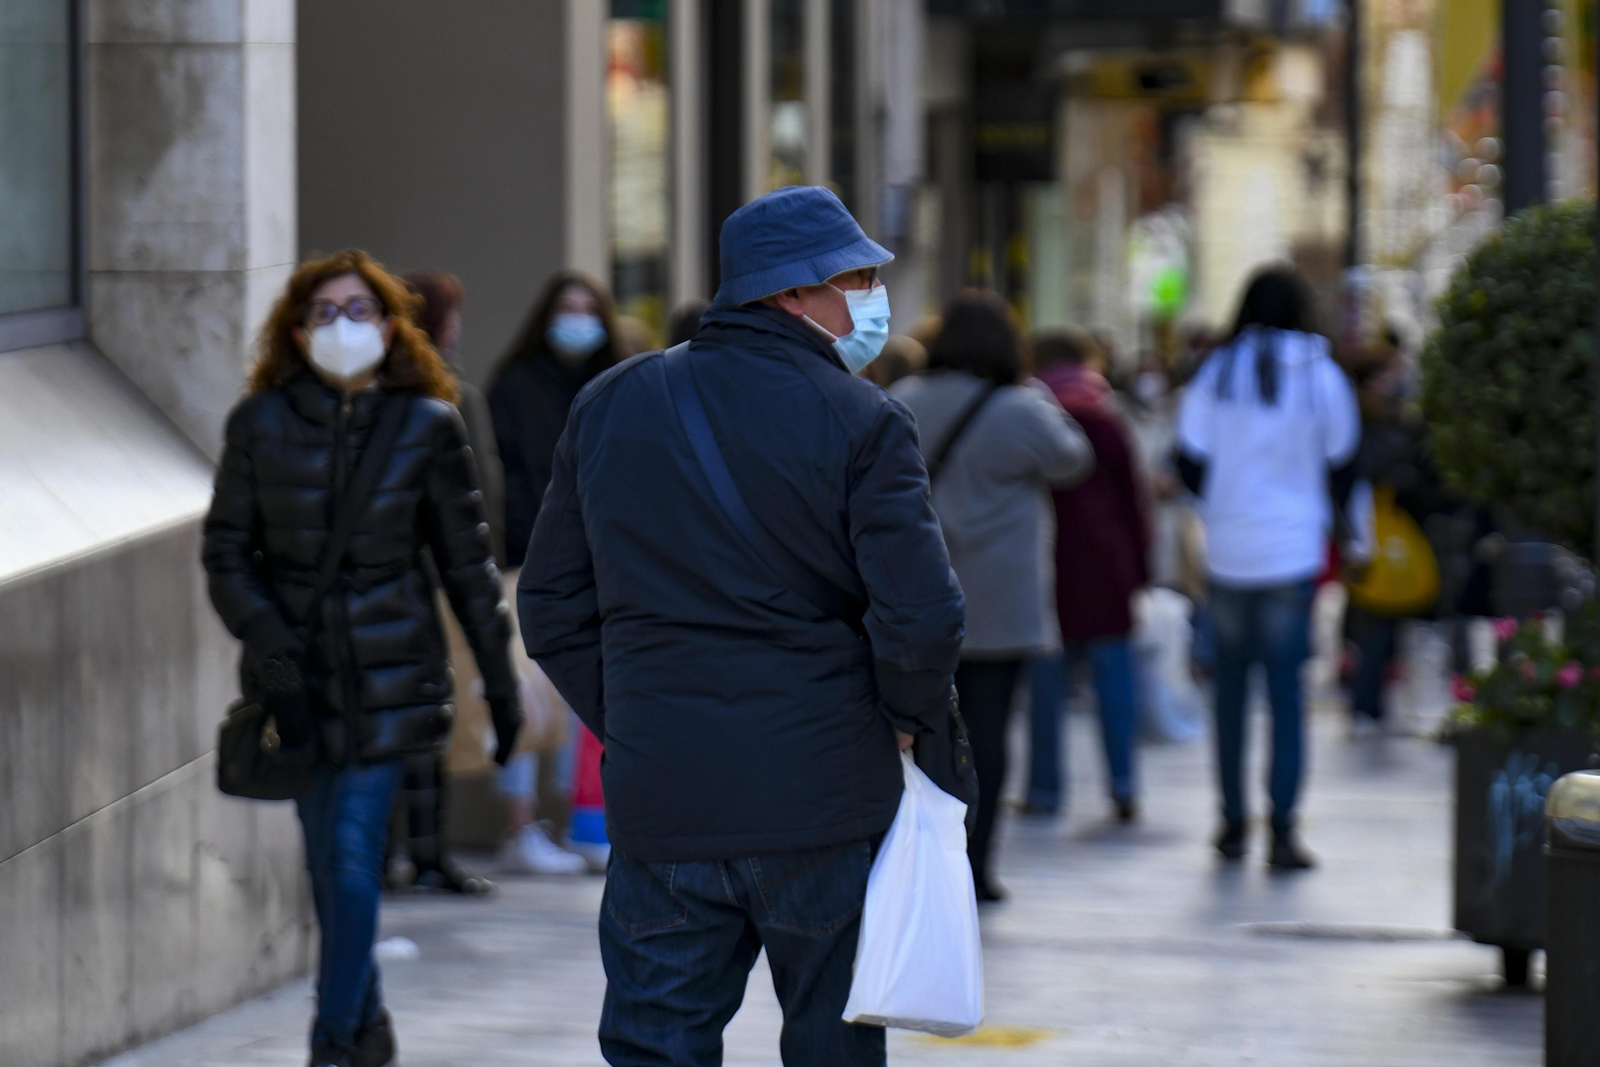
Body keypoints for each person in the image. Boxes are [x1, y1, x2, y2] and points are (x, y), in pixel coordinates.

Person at [519, 185, 965, 1066]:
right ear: (793, 292)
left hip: (667, 796)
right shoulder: (864, 419)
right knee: (833, 1044)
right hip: (826, 796)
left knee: (657, 1043)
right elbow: (923, 615)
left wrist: (639, 717)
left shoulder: (612, 402)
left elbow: (550, 605)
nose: (873, 298)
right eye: (858, 279)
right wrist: (905, 720)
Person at [202, 249, 523, 1067]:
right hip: (296, 683)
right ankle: (371, 1026)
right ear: (297, 329)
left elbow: (466, 563)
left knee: (350, 858)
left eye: (360, 310)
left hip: (394, 679)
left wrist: (500, 675)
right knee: (325, 866)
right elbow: (227, 551)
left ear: (389, 325)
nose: (342, 326)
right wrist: (272, 648)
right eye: (323, 312)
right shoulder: (260, 422)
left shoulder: (426, 425)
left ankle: (333, 1040)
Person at [891, 291, 1092, 902]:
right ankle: (976, 864)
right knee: (988, 732)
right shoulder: (1021, 410)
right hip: (1002, 602)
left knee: (921, 733)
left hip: (919, 595)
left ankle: (923, 860)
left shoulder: (905, 402)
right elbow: (1073, 459)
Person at [1175, 266, 1358, 871]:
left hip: (1230, 549)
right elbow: (1341, 460)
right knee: (1286, 692)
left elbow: (1189, 458)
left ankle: (1231, 821)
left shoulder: (1216, 372)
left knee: (1228, 690)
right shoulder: (1323, 375)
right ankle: (1282, 828)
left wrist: (1221, 508)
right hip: (1293, 548)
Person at [1025, 328, 1150, 823]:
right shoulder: (1108, 420)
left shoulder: (1033, 418)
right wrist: (1139, 570)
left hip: (1050, 567)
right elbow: (1134, 504)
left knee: (1046, 686)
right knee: (1115, 680)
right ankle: (1123, 784)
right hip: (1107, 568)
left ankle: (1044, 789)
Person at [490, 270, 629, 569]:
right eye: (568, 308)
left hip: (609, 553)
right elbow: (501, 470)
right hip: (530, 550)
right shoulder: (515, 385)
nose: (579, 320)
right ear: (547, 317)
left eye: (590, 310)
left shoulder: (621, 385)